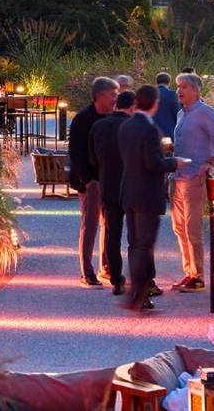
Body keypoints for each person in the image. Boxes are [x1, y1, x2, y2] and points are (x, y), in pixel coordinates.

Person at [118, 85, 182, 312]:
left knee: (135, 243)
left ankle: (137, 292)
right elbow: (152, 164)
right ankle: (138, 294)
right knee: (144, 246)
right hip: (147, 193)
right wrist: (175, 162)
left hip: (129, 191)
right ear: (155, 103)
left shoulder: (126, 126)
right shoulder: (150, 130)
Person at [171, 73, 214, 292]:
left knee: (192, 227)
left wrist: (211, 161)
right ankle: (189, 272)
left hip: (194, 178)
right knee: (179, 228)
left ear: (196, 90)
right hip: (177, 177)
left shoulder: (205, 112)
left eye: (184, 87)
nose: (179, 91)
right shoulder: (181, 114)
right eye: (178, 87)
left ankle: (197, 276)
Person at [69, 77, 118, 287]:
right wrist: (87, 180)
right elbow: (76, 152)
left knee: (110, 224)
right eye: (113, 94)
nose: (116, 98)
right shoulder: (83, 118)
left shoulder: (114, 117)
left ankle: (106, 267)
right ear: (100, 95)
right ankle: (87, 272)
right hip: (90, 179)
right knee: (90, 226)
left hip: (110, 178)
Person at [88, 91, 136, 296]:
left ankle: (116, 278)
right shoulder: (134, 127)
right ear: (133, 106)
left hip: (108, 185)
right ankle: (140, 278)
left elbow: (92, 158)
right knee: (136, 237)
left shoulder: (99, 127)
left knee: (112, 234)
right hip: (132, 187)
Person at [153, 72, 180, 139]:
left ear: (156, 81)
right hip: (168, 132)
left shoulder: (148, 93)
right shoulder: (172, 95)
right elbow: (178, 113)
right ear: (169, 82)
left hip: (150, 131)